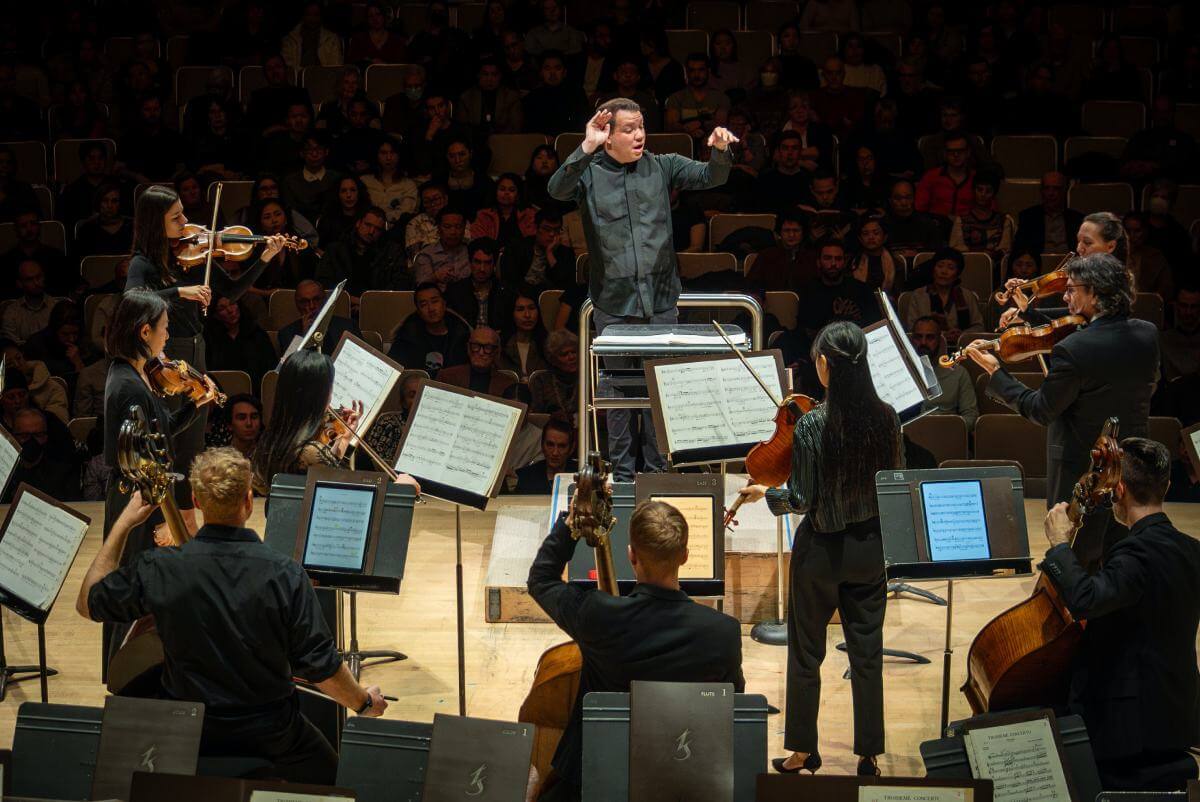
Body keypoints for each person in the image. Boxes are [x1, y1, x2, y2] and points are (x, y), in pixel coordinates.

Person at [77, 448, 387, 785]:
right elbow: (322, 669)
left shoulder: (160, 568)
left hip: (189, 730)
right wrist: (364, 702)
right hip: (271, 732)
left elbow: (87, 602)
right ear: (249, 500)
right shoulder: (284, 574)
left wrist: (125, 521)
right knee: (338, 786)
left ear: (196, 500)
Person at [737, 321, 901, 778]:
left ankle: (803, 752)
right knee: (867, 653)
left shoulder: (813, 424)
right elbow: (892, 484)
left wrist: (766, 494)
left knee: (807, 653)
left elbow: (802, 499)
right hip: (870, 550)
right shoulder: (887, 416)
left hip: (821, 554)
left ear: (825, 364)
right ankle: (869, 755)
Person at [547, 98, 735, 480]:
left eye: (641, 127)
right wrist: (586, 146)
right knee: (617, 393)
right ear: (608, 135)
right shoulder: (589, 171)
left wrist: (719, 149)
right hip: (614, 302)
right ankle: (621, 477)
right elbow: (556, 189)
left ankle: (657, 473)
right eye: (628, 129)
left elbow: (712, 177)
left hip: (661, 299)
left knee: (658, 391)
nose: (638, 136)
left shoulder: (662, 165)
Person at [528, 496, 744, 801]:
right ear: (684, 556)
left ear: (631, 555)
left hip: (595, 779)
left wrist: (572, 522)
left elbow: (541, 579)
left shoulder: (599, 616)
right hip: (680, 782)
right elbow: (733, 705)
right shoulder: (723, 632)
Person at [966, 253, 1159, 564]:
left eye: (1071, 290)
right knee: (1121, 557)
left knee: (1077, 560)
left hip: (1083, 472)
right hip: (1130, 466)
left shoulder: (1073, 350)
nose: (1066, 297)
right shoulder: (1147, 333)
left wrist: (995, 373)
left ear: (1093, 293)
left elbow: (1041, 409)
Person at [1039, 437, 1200, 792]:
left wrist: (1061, 545)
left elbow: (1086, 599)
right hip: (1178, 712)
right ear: (1167, 486)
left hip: (1129, 729)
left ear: (1120, 489)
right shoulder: (1192, 550)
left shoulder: (1134, 556)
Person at [126, 186, 289, 487]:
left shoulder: (192, 255)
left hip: (196, 348)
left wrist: (264, 257)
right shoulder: (143, 264)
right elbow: (132, 298)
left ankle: (189, 511)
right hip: (166, 354)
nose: (186, 221)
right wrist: (179, 291)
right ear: (155, 222)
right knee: (170, 433)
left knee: (194, 433)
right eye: (176, 217)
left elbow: (229, 292)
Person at [100, 290, 212, 669]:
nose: (168, 337)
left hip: (140, 496)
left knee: (142, 586)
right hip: (136, 500)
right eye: (165, 329)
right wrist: (163, 515)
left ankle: (142, 666)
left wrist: (196, 405)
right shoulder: (129, 385)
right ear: (145, 331)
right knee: (134, 586)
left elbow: (159, 435)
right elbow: (139, 455)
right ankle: (127, 668)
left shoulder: (132, 373)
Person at [251, 349, 361, 489]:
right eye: (330, 388)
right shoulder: (310, 452)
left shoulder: (269, 440)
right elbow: (347, 493)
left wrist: (344, 439)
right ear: (319, 396)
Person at [316, 206, 409, 298]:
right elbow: (323, 283)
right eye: (368, 225)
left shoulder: (391, 252)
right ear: (358, 223)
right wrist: (351, 300)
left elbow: (400, 284)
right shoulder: (335, 250)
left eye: (377, 229)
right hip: (340, 305)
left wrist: (367, 303)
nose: (371, 231)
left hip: (377, 306)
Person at [901, 248, 984, 344]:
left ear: (957, 274)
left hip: (962, 348)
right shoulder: (919, 295)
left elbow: (979, 326)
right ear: (933, 269)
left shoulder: (967, 295)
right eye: (940, 266)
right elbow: (912, 328)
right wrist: (942, 335)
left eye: (951, 268)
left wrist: (962, 335)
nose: (944, 271)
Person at [910, 315, 979, 430]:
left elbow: (971, 417)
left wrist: (945, 427)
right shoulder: (900, 373)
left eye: (930, 337)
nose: (923, 342)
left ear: (940, 341)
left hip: (946, 438)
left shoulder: (958, 373)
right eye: (918, 337)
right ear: (912, 340)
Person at [387, 283, 470, 377]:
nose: (431, 309)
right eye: (424, 305)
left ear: (444, 304)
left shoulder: (462, 335)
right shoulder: (407, 338)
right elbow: (391, 371)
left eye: (435, 301)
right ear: (418, 311)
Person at [4, 407, 81, 502]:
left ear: (45, 437)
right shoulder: (4, 472)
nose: (31, 441)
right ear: (13, 437)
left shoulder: (64, 473)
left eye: (38, 435)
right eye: (24, 436)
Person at [204, 296, 277, 393]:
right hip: (220, 395)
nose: (230, 310)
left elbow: (270, 370)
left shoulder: (257, 334)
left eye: (232, 303)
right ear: (215, 314)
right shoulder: (208, 338)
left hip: (255, 394)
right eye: (222, 308)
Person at [276, 279, 360, 357]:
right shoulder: (286, 334)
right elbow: (288, 368)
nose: (311, 306)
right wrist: (304, 337)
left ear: (325, 300)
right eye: (304, 302)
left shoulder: (349, 327)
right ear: (297, 304)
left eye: (316, 299)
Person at [500, 208, 575, 291]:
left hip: (549, 298)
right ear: (536, 228)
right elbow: (509, 279)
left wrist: (549, 254)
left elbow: (564, 284)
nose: (552, 234)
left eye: (556, 230)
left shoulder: (566, 253)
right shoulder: (518, 247)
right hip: (520, 296)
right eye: (547, 229)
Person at [1013, 172, 1083, 256]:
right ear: (1041, 191)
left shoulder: (1078, 219)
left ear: (1065, 190)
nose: (1051, 193)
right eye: (1047, 188)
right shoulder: (1028, 217)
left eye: (1056, 188)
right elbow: (1019, 251)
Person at [445, 238, 507, 331]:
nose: (482, 269)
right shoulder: (455, 291)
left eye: (487, 263)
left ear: (494, 265)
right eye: (477, 262)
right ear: (470, 262)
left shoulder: (505, 292)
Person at [436, 326, 516, 396]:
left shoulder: (507, 384)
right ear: (468, 348)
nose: (481, 353)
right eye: (475, 346)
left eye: (488, 347)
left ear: (496, 351)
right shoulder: (447, 377)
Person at [915, 132, 975, 218]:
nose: (956, 155)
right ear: (945, 154)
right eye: (951, 151)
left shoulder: (977, 178)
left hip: (968, 227)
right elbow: (919, 209)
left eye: (960, 151)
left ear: (968, 152)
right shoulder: (931, 177)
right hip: (936, 226)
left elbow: (989, 211)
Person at [510, 416, 576, 494]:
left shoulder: (580, 476)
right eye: (550, 445)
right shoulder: (524, 477)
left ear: (571, 448)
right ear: (542, 445)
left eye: (562, 446)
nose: (555, 452)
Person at [1, 260, 59, 344]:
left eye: (39, 277)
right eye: (29, 279)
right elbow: (11, 346)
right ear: (19, 283)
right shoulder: (11, 312)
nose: (36, 283)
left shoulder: (56, 306)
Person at [412, 208, 470, 291]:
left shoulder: (471, 251)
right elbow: (420, 288)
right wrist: (435, 277)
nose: (453, 232)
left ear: (464, 229)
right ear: (438, 229)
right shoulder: (427, 254)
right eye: (447, 227)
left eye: (458, 227)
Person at [499, 285, 549, 378]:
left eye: (531, 308)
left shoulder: (549, 344)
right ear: (511, 313)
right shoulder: (500, 345)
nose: (527, 315)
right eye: (520, 309)